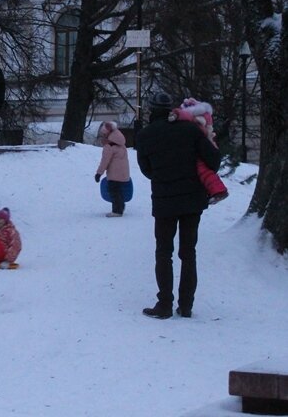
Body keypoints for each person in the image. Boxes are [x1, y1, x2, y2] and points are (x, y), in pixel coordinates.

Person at [136, 91, 221, 319]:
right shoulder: (191, 129)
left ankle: (164, 304)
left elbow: (146, 170)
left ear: (151, 110)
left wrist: (163, 175)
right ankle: (186, 305)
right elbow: (213, 161)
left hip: (164, 200)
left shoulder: (145, 135)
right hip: (193, 200)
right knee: (188, 252)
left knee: (164, 252)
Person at [168, 98, 229, 204]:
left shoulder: (195, 119)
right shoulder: (205, 117)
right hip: (206, 146)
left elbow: (185, 115)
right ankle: (214, 191)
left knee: (203, 171)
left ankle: (219, 190)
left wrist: (176, 113)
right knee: (205, 172)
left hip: (197, 150)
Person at [94, 121, 130, 217]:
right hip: (124, 173)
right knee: (119, 192)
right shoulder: (122, 145)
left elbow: (105, 161)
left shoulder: (109, 146)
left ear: (107, 134)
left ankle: (117, 211)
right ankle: (120, 207)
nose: (103, 137)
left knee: (114, 192)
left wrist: (99, 173)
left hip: (114, 174)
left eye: (103, 135)